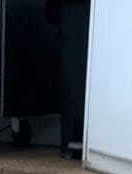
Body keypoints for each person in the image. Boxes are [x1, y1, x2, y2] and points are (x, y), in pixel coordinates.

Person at [45, 0, 92, 159]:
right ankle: (80, 144)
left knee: (70, 89)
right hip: (88, 26)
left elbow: (51, 15)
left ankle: (71, 145)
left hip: (70, 30)